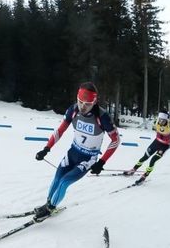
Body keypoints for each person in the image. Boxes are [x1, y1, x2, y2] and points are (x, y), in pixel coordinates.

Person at [33, 82, 120, 221]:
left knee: (65, 181)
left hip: (88, 158)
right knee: (57, 177)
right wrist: (46, 148)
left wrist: (102, 162)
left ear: (94, 102)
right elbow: (60, 130)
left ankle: (50, 208)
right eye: (80, 102)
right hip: (72, 153)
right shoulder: (73, 110)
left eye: (87, 104)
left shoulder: (102, 117)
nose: (82, 107)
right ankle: (48, 203)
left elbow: (116, 140)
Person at [123, 109, 170, 184]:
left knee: (153, 160)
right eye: (160, 120)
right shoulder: (156, 121)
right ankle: (133, 170)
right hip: (156, 142)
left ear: (166, 120)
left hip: (164, 146)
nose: (161, 122)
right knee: (144, 157)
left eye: (163, 120)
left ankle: (145, 175)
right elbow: (147, 123)